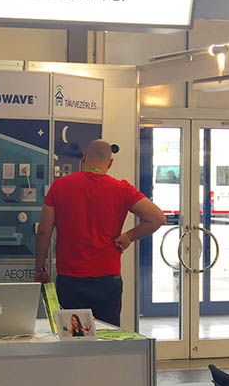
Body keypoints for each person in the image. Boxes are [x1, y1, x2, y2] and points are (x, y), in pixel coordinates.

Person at [34, 139, 165, 327]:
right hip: (107, 281)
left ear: (84, 158)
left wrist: (40, 268)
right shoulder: (122, 189)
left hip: (71, 281)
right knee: (107, 337)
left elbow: (43, 231)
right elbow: (157, 218)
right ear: (110, 163)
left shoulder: (60, 186)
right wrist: (129, 236)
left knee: (74, 336)